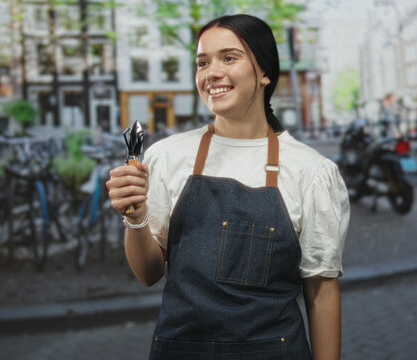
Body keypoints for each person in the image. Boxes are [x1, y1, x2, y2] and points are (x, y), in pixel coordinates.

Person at [107, 14, 350, 360]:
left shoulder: (311, 171)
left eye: (229, 57)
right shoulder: (167, 156)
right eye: (202, 62)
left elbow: (321, 292)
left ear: (264, 73)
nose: (211, 72)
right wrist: (136, 215)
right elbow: (148, 273)